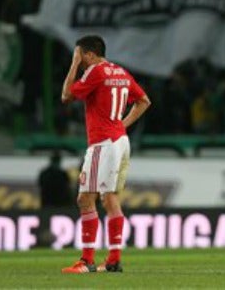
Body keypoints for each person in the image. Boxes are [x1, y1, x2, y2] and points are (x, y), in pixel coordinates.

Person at [60, 35, 151, 274]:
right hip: (120, 141)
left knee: (85, 198)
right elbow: (144, 101)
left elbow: (66, 96)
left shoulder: (95, 71)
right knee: (109, 198)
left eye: (80, 57)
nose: (80, 62)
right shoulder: (120, 72)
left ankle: (87, 260)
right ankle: (113, 260)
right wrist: (122, 124)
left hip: (102, 143)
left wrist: (73, 65)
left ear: (89, 54)